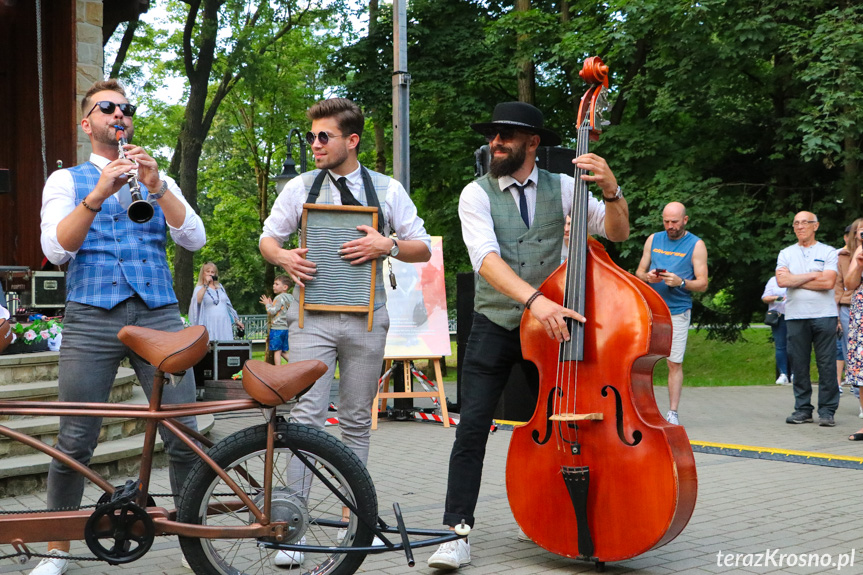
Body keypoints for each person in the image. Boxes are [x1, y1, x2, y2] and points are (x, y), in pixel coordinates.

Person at [427, 101, 630, 571]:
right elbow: (486, 261)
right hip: (496, 325)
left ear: (533, 144)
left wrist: (613, 190)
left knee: (573, 424)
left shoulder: (564, 188)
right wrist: (536, 301)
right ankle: (456, 532)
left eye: (507, 136)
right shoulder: (475, 194)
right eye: (493, 135)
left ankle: (584, 523)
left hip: (554, 332)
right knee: (473, 428)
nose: (495, 143)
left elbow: (616, 234)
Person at [36, 78, 206, 575]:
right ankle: (57, 547)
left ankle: (195, 536)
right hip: (91, 313)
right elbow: (55, 250)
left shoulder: (155, 177)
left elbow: (193, 238)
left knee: (185, 433)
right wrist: (98, 192)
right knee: (75, 439)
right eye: (106, 108)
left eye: (125, 108)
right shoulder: (65, 181)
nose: (119, 114)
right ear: (86, 123)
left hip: (157, 312)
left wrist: (158, 187)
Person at [259, 97, 431, 566]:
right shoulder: (298, 188)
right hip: (310, 318)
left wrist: (388, 242)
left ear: (351, 140)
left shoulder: (387, 189)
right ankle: (291, 528)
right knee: (307, 419)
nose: (314, 144)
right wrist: (283, 257)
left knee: (356, 421)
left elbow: (423, 248)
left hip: (368, 317)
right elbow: (268, 237)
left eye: (323, 136)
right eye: (311, 136)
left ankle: (356, 523)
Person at [634, 202, 709, 426]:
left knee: (674, 363)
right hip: (651, 310)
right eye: (666, 221)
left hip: (677, 311)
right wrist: (647, 277)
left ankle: (673, 412)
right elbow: (638, 272)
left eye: (674, 222)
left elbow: (703, 283)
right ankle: (639, 407)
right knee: (639, 360)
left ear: (685, 220)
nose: (670, 226)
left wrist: (681, 282)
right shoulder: (653, 239)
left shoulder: (696, 245)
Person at [776, 211, 839, 427]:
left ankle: (827, 411)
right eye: (796, 223)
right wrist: (813, 274)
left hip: (825, 315)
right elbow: (782, 281)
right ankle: (803, 409)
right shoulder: (785, 253)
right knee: (799, 365)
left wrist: (795, 279)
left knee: (827, 364)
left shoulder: (828, 251)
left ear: (816, 226)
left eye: (805, 222)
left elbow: (828, 283)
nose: (800, 226)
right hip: (795, 316)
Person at [840, 219, 863, 420]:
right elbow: (849, 284)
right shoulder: (858, 252)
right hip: (861, 309)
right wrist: (859, 265)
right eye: (861, 231)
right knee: (862, 365)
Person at [189, 262, 244, 341]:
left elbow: (227, 306)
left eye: (212, 272)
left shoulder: (220, 287)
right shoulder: (199, 288)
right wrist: (206, 285)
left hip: (224, 323)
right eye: (208, 272)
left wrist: (236, 321)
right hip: (210, 323)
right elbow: (198, 301)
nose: (210, 274)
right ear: (203, 273)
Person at [260, 274, 294, 365]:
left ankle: (277, 370)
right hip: (286, 328)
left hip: (277, 328)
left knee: (277, 352)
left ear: (285, 287)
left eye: (277, 284)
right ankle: (295, 366)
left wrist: (267, 304)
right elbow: (281, 310)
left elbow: (272, 312)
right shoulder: (291, 297)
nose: (273, 285)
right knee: (283, 351)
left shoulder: (279, 297)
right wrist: (272, 305)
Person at [836, 224, 854, 391]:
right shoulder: (841, 256)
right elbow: (838, 286)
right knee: (851, 351)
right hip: (848, 306)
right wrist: (835, 316)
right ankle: (859, 394)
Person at [762, 276, 789, 384]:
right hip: (779, 316)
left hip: (795, 315)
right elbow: (765, 297)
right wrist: (779, 298)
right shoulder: (773, 280)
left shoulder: (799, 276)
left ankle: (796, 373)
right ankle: (783, 373)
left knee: (796, 345)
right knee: (780, 346)